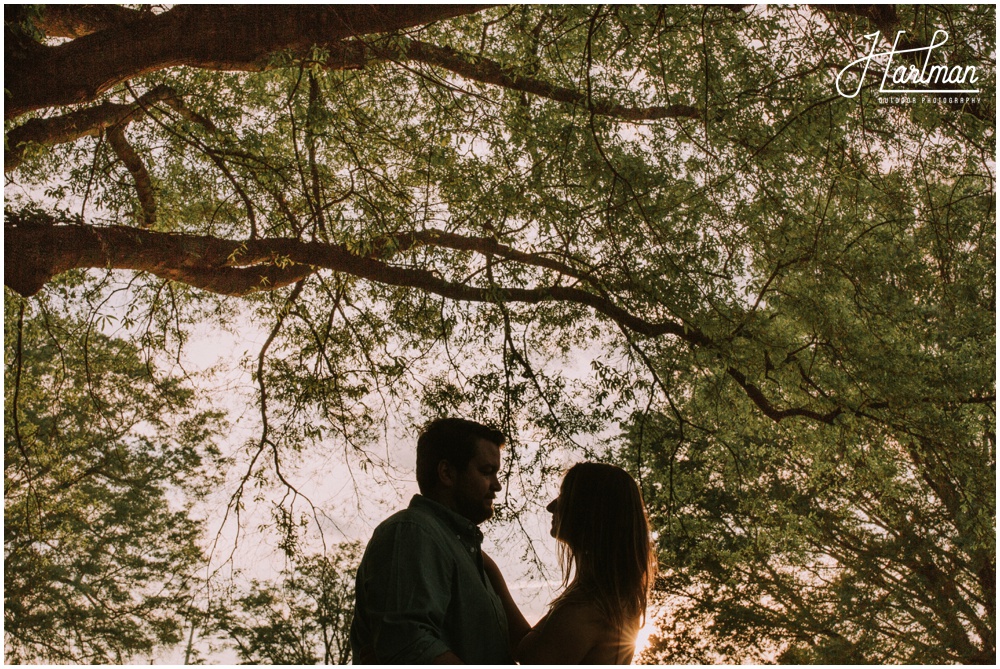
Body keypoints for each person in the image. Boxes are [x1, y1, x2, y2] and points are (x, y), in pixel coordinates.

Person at [350, 417, 517, 664]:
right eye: (486, 471)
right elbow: (409, 644)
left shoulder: (460, 549)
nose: (497, 486)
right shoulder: (412, 532)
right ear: (447, 473)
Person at [486, 462, 657, 664]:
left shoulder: (586, 611)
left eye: (564, 496)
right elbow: (529, 647)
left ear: (590, 510)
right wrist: (489, 569)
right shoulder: (606, 602)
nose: (551, 506)